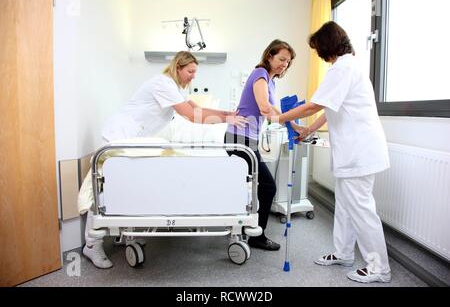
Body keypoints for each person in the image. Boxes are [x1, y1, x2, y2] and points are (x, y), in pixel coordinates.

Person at [83, 51, 248, 268]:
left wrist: (227, 112)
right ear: (177, 68)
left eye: (195, 72)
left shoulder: (176, 88)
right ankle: (91, 245)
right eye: (190, 71)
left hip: (137, 140)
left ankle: (126, 231)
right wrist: (227, 119)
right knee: (104, 184)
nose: (193, 76)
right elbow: (190, 116)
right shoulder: (163, 83)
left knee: (129, 184)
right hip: (121, 136)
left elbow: (196, 108)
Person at [268, 22, 391, 283]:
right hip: (356, 149)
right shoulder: (349, 66)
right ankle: (344, 253)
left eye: (318, 49)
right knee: (346, 206)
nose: (319, 55)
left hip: (360, 150)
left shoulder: (342, 68)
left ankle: (379, 268)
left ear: (326, 46)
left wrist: (281, 118)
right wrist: (308, 130)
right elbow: (329, 109)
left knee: (361, 208)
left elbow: (314, 105)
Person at [224, 39, 296, 251]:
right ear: (270, 56)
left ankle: (246, 228)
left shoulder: (271, 81)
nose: (284, 64)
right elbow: (265, 108)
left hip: (249, 140)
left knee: (252, 186)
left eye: (288, 62)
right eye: (281, 59)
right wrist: (288, 120)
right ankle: (257, 235)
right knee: (268, 186)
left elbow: (272, 109)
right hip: (239, 140)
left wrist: (293, 126)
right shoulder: (260, 74)